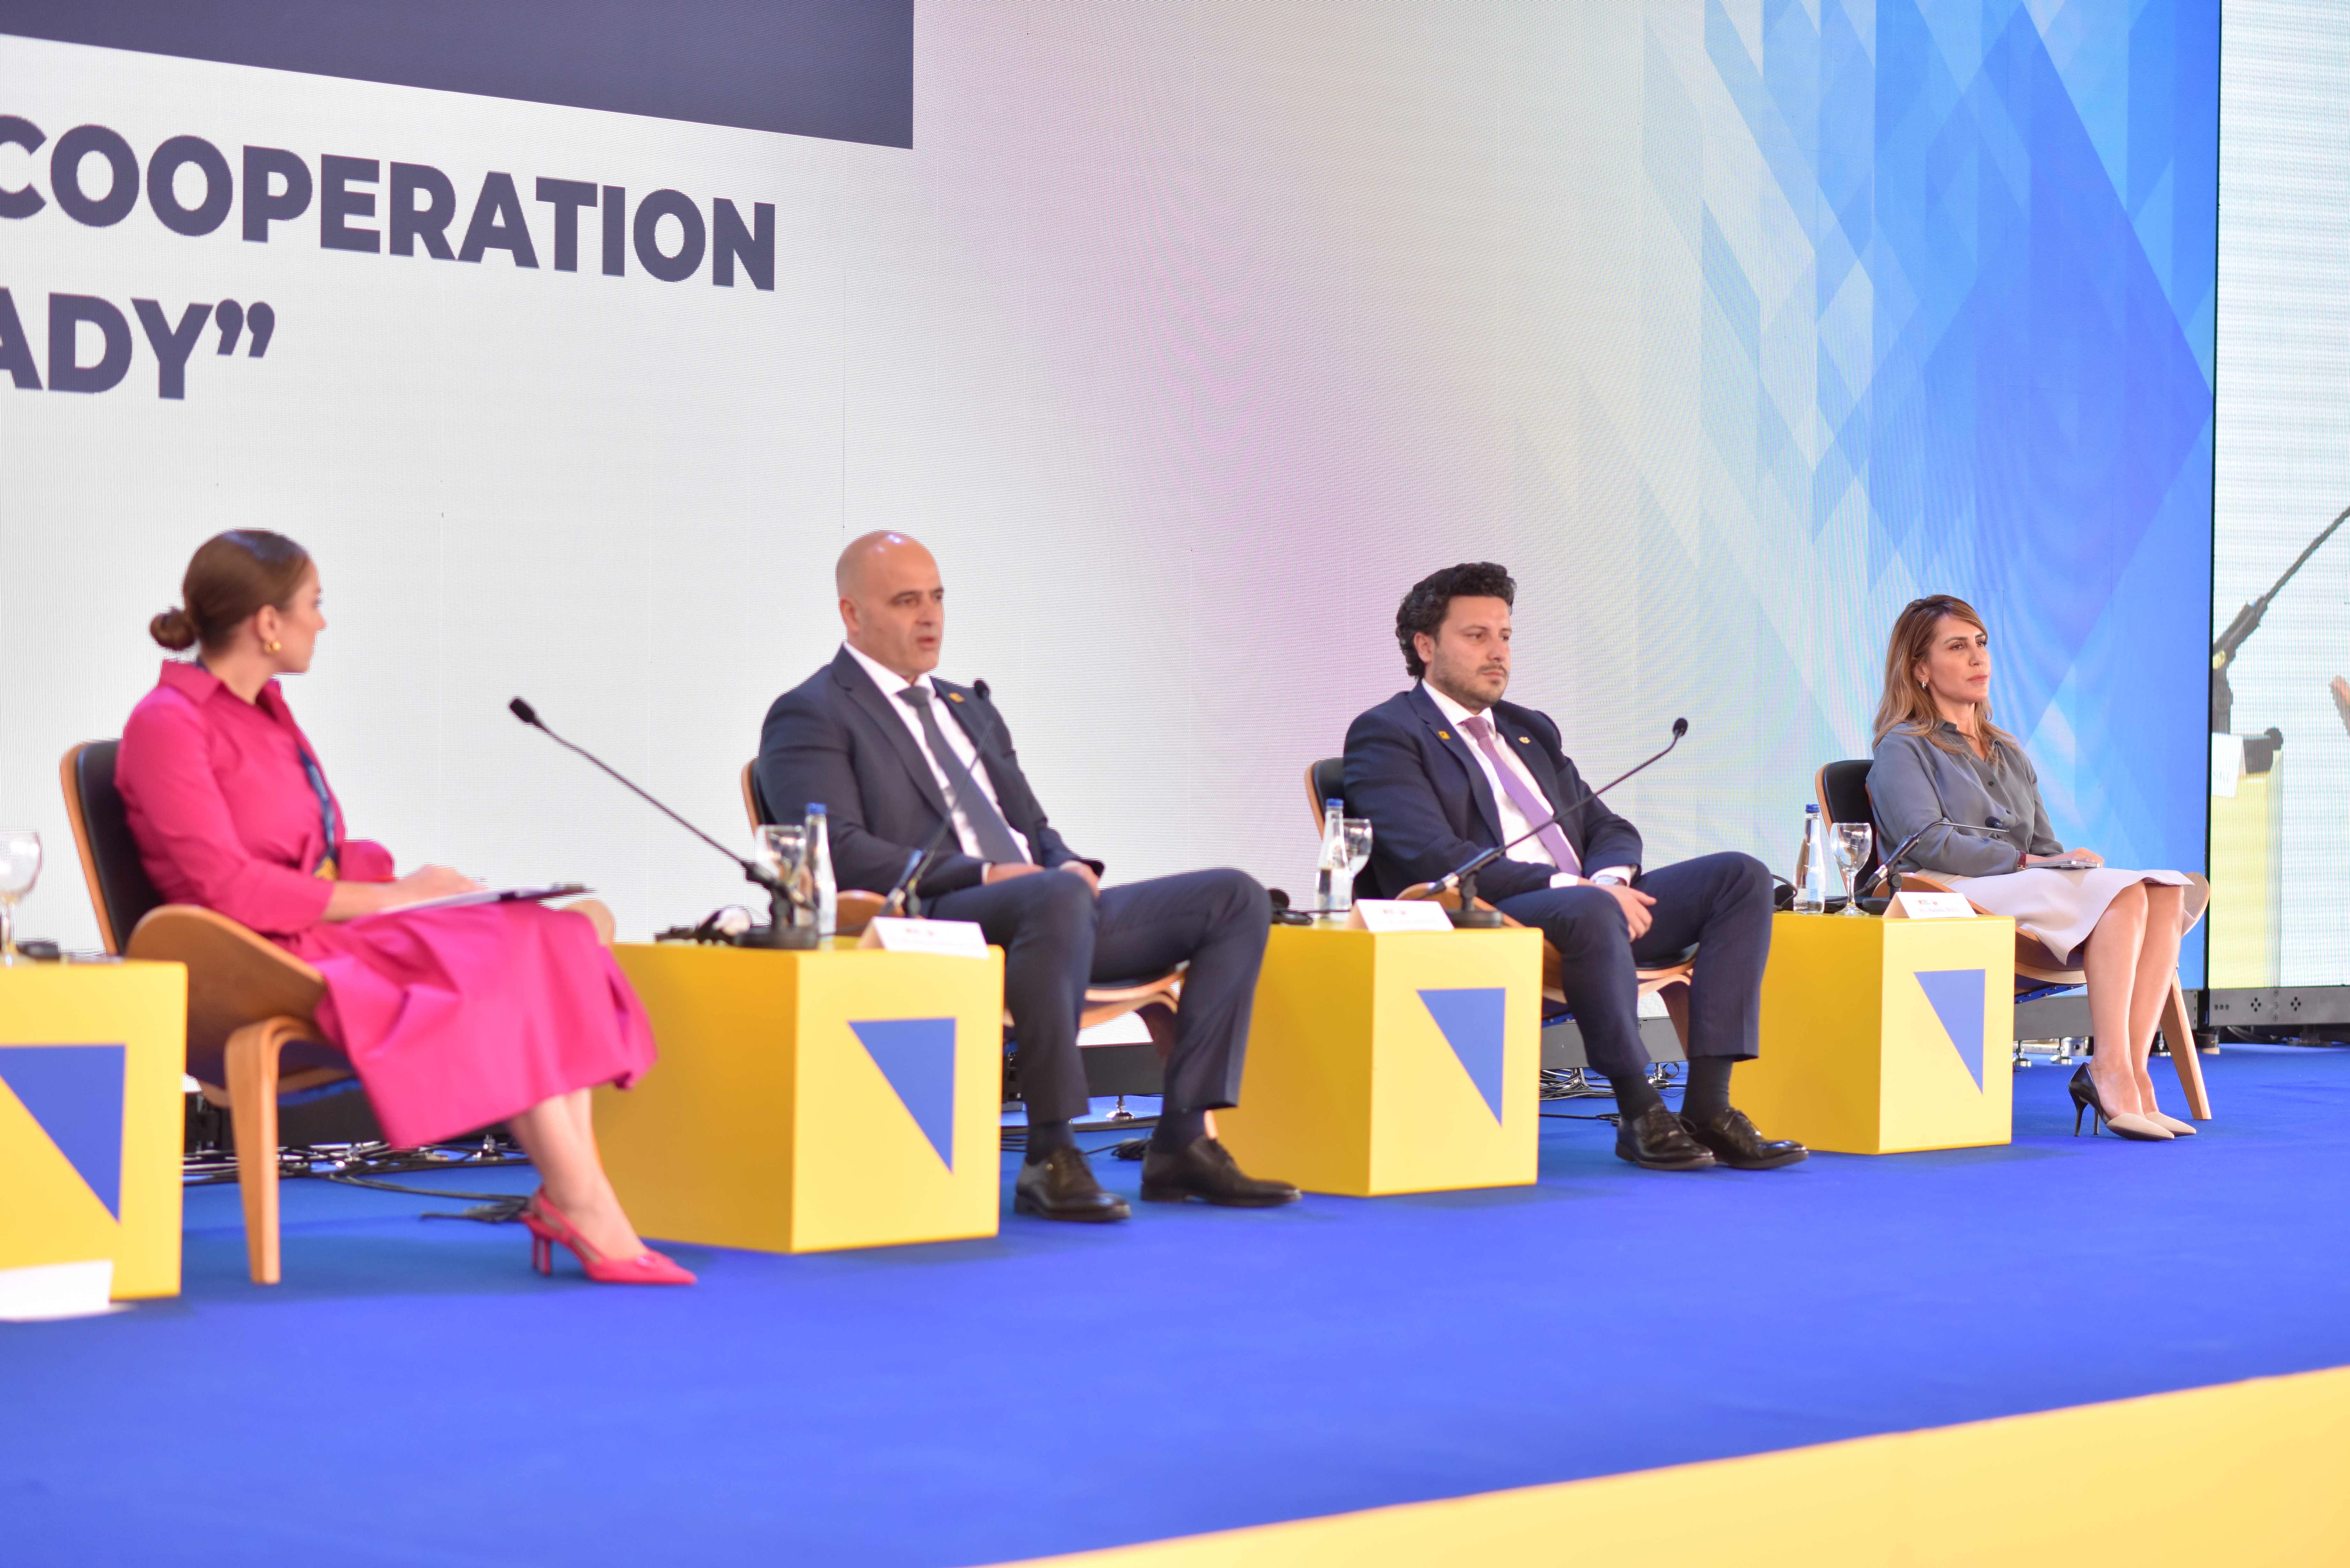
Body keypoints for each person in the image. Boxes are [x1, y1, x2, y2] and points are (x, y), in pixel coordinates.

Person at [117, 531, 692, 1283]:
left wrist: (422, 887)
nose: (321, 621)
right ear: (267, 623)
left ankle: (574, 1192)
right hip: (260, 957)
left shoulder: (268, 712)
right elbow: (227, 887)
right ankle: (584, 1203)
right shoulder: (167, 722)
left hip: (319, 931)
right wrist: (394, 897)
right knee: (517, 948)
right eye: (313, 605)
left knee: (556, 930)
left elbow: (316, 850)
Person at [758, 531, 1297, 1221]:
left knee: (1234, 895)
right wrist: (988, 870)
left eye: (936, 598)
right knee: (1056, 893)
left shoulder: (967, 706)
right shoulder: (812, 711)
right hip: (933, 914)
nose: (929, 617)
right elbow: (837, 847)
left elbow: (1032, 828)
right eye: (904, 601)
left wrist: (1064, 859)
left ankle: (1182, 1139)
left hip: (1049, 910)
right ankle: (1050, 1151)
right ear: (852, 614)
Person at [1344, 562, 1804, 1172]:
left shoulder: (1528, 729)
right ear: (1425, 646)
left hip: (1587, 906)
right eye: (1476, 636)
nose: (1497, 653)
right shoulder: (1389, 733)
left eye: (1505, 636)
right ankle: (1641, 1110)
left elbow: (1606, 826)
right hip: (1484, 910)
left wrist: (1613, 880)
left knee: (1741, 877)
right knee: (1587, 908)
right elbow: (1437, 859)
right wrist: (1579, 888)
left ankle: (1709, 1107)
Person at [1868, 594, 2208, 1141]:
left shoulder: (2008, 750)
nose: (1979, 658)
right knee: (2124, 895)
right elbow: (1925, 842)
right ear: (1920, 669)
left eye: (1981, 644)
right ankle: (2109, 1072)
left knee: (2164, 890)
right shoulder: (1902, 748)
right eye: (1958, 647)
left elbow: (2044, 844)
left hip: (2022, 886)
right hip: (1957, 892)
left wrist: (2060, 862)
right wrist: (2030, 863)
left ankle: (2137, 1074)